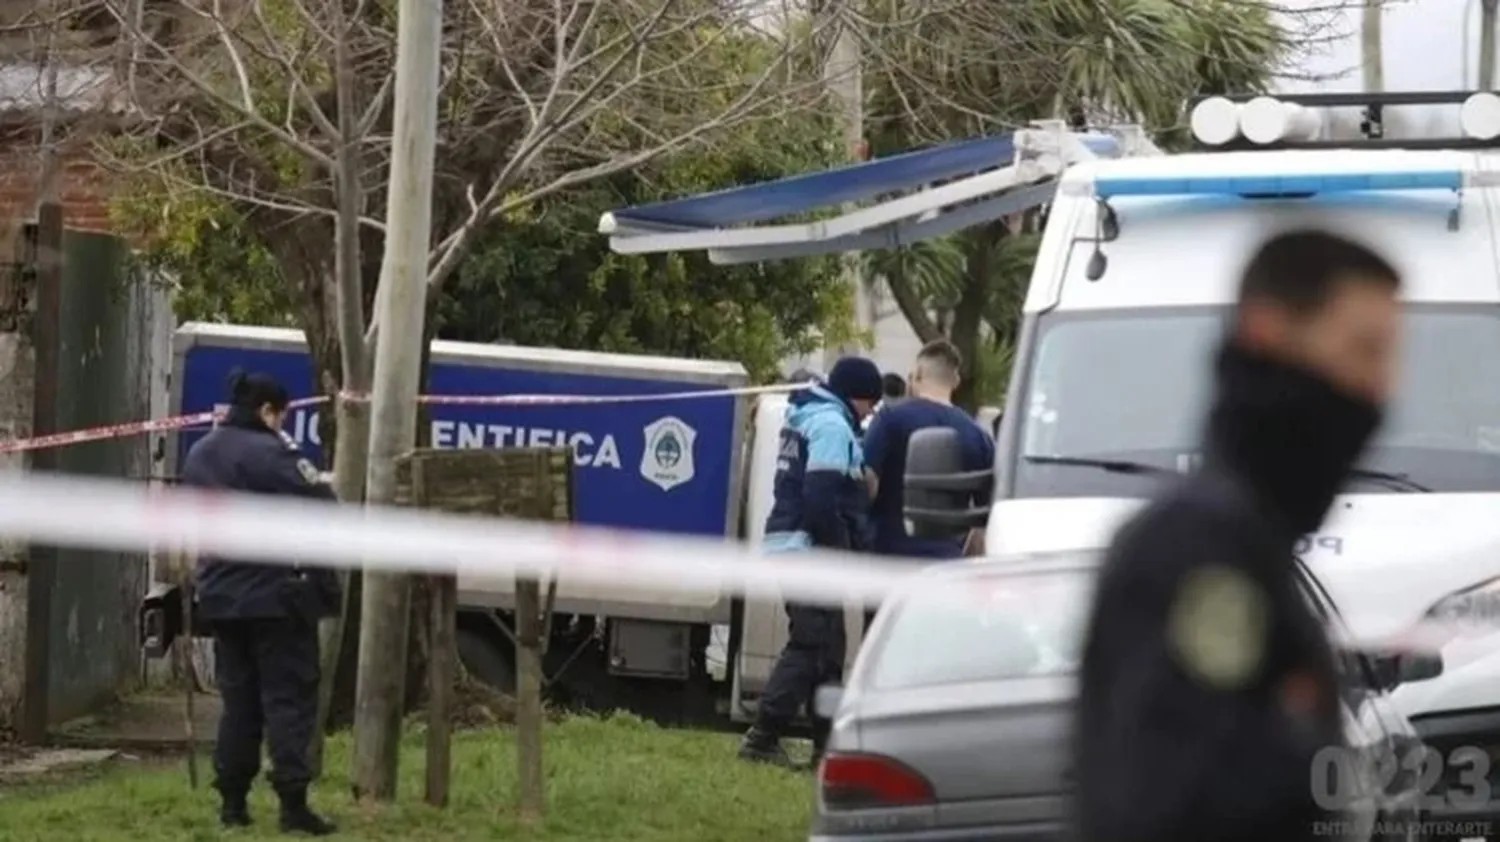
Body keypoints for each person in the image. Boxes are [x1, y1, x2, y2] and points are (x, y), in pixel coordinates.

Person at [1072, 230, 1402, 842]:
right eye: (1363, 349)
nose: (1381, 388)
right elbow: (1175, 798)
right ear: (1268, 331)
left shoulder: (1251, 539)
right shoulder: (1198, 548)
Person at [182, 370, 341, 835]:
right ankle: (293, 805)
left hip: (220, 598)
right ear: (268, 412)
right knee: (288, 700)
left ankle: (233, 804)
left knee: (239, 702)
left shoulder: (201, 452)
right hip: (277, 599)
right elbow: (323, 507)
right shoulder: (275, 453)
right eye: (280, 418)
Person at [738, 355, 884, 767]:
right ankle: (762, 738)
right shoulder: (832, 426)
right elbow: (821, 497)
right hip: (809, 549)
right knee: (810, 642)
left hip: (793, 545)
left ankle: (825, 748)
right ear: (855, 395)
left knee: (830, 649)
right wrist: (840, 550)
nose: (871, 411)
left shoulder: (808, 416)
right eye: (869, 403)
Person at [863, 339, 995, 560]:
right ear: (956, 380)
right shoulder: (978, 436)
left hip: (888, 560)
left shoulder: (889, 419)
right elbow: (983, 521)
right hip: (946, 564)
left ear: (918, 374)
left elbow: (870, 485)